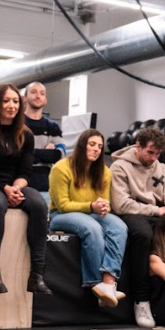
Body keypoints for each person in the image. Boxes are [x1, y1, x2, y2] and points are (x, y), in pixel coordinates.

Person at [0, 83, 52, 296]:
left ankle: (37, 274)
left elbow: (25, 172)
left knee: (39, 204)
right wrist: (5, 189)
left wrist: (15, 188)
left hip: (14, 185)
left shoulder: (26, 135)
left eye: (15, 101)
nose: (11, 105)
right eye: (6, 101)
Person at [110, 126, 165, 329]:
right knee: (143, 235)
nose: (153, 158)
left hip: (158, 213)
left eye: (157, 154)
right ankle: (141, 300)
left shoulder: (162, 169)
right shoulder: (120, 167)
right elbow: (121, 204)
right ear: (138, 146)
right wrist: (155, 210)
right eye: (150, 152)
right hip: (131, 213)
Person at [49, 128, 128, 307]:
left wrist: (104, 207)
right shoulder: (61, 168)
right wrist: (92, 206)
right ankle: (95, 283)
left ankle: (108, 283)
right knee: (92, 228)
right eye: (92, 144)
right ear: (82, 145)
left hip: (91, 213)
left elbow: (104, 202)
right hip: (60, 215)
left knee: (119, 227)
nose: (96, 149)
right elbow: (63, 205)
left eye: (100, 146)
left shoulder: (105, 172)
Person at [22, 81, 65, 205]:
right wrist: (45, 153)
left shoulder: (53, 126)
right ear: (25, 97)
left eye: (42, 93)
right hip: (22, 184)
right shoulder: (17, 124)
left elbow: (59, 155)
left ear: (45, 100)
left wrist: (29, 152)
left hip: (46, 185)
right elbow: (16, 154)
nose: (38, 96)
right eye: (33, 92)